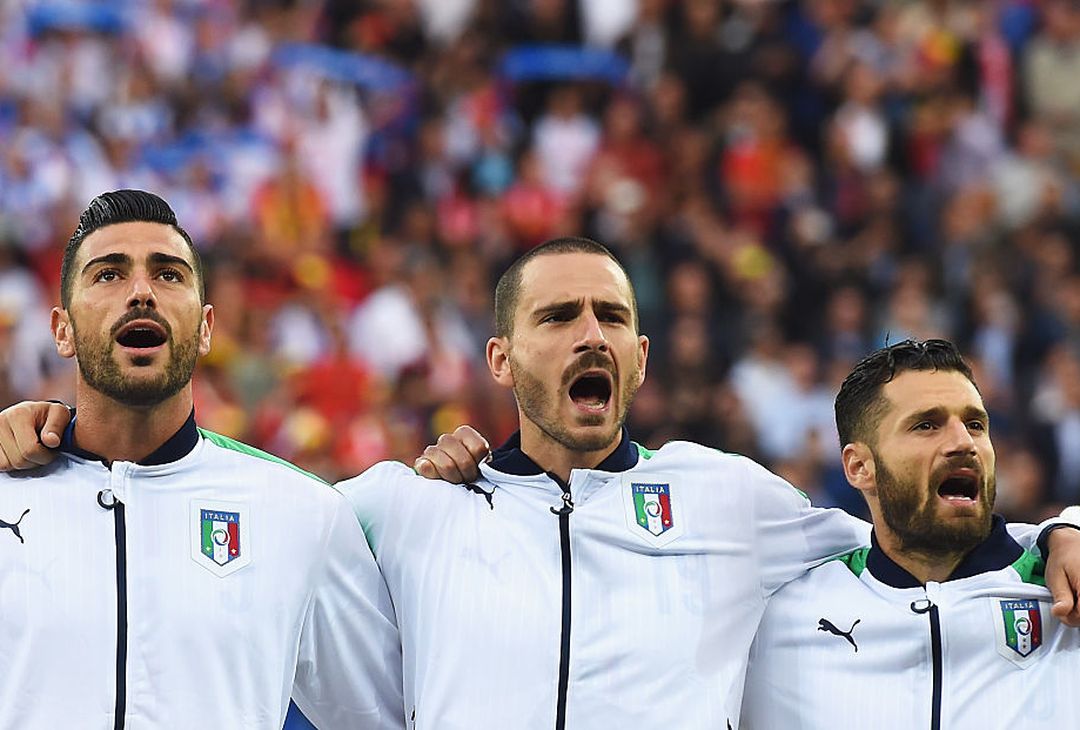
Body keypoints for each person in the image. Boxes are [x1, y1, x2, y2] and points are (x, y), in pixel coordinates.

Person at [3, 238, 1079, 727]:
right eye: (559, 317)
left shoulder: (728, 500)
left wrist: (1063, 529)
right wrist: (39, 439)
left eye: (611, 316)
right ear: (503, 361)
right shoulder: (396, 505)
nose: (590, 333)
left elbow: (927, 533)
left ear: (642, 359)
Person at [0, 190, 406, 729]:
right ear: (62, 330)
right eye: (108, 275)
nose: (141, 292)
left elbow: (381, 717)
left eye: (169, 275)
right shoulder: (9, 488)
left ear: (208, 326)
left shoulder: (302, 513)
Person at [740, 339, 1080, 728]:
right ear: (859, 467)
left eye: (975, 424)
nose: (963, 443)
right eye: (926, 425)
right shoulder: (785, 617)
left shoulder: (1061, 591)